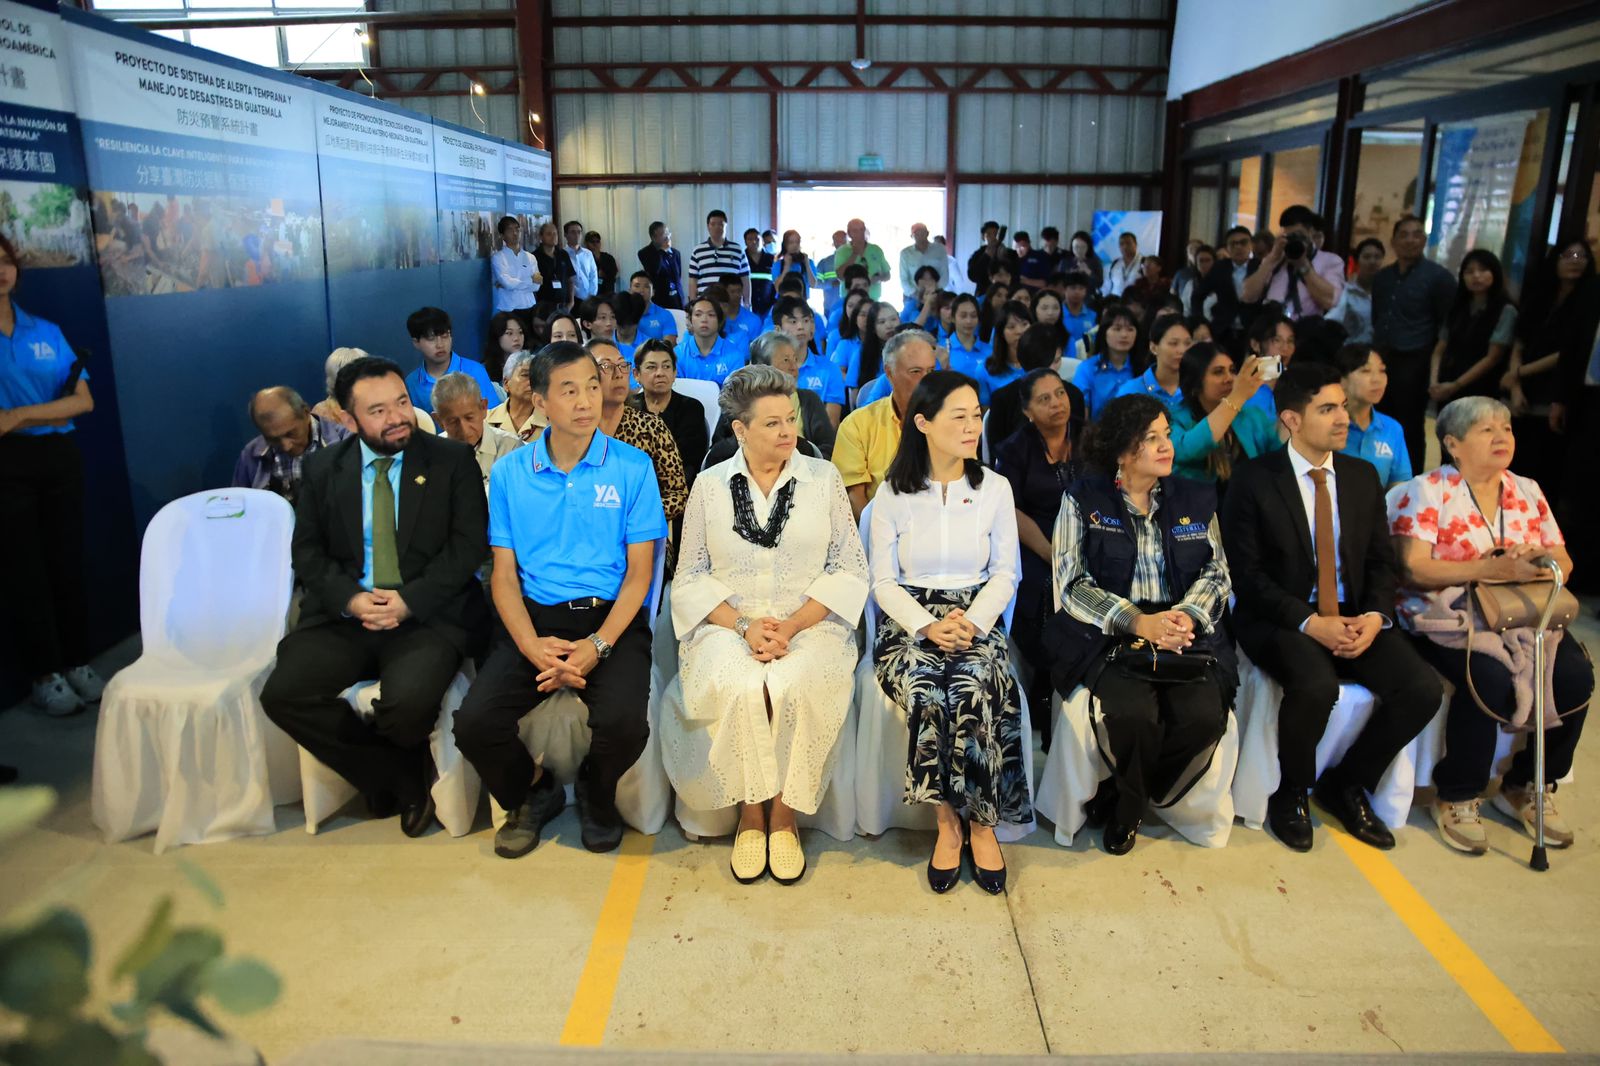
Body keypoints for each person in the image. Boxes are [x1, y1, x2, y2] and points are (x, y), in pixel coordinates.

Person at [260, 356, 489, 839]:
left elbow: (468, 547)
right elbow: (307, 552)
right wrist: (350, 600)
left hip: (427, 615)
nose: (397, 417)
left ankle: (392, 776)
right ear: (348, 419)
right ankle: (397, 777)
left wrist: (410, 601)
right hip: (348, 615)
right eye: (378, 410)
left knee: (407, 706)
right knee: (283, 695)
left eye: (401, 403)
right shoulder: (324, 468)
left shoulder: (450, 460)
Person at [1220, 361, 1442, 853]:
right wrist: (1309, 622)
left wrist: (1376, 617)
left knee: (1422, 690)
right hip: (1279, 614)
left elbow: (1382, 563)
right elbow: (1247, 576)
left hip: (1353, 613)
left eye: (1342, 406)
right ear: (1292, 420)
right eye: (1327, 409)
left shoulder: (1361, 477)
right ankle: (1292, 792)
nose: (1343, 417)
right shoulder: (1254, 479)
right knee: (1316, 686)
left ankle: (1347, 783)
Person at [455, 343, 666, 857]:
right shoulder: (511, 474)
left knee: (624, 724)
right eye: (569, 391)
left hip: (610, 617)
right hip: (535, 619)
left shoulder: (632, 467)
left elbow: (640, 575)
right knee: (475, 724)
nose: (586, 401)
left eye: (592, 386)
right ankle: (533, 791)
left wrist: (598, 645)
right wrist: (531, 646)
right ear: (540, 402)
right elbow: (504, 576)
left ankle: (597, 791)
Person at [662, 365, 869, 884]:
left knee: (793, 683)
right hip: (727, 625)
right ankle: (750, 815)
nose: (787, 432)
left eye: (790, 419)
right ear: (740, 429)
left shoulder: (823, 480)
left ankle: (784, 817)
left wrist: (792, 625)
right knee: (741, 685)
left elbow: (849, 568)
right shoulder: (710, 485)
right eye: (772, 423)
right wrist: (743, 626)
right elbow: (689, 576)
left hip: (811, 622)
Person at [1388, 397, 1591, 854]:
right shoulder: (1427, 490)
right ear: (1453, 444)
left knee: (1576, 676)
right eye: (1486, 430)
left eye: (1507, 428)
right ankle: (1458, 794)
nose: (1502, 437)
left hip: (1520, 611)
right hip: (1447, 613)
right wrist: (1488, 569)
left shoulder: (1527, 489)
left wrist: (1534, 560)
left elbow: (1563, 561)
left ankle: (1529, 785)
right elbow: (1414, 569)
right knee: (1489, 675)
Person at [1046, 394, 1235, 854]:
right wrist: (1137, 622)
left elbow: (1217, 572)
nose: (1166, 446)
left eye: (1167, 435)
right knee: (1134, 716)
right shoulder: (1083, 500)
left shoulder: (1195, 497)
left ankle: (1128, 792)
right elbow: (1071, 583)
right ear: (1121, 449)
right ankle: (1130, 810)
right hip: (1109, 638)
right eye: (1151, 438)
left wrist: (1186, 617)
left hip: (1184, 634)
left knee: (1203, 718)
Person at [869, 370, 1025, 893]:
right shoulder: (892, 494)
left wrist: (972, 623)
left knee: (975, 682)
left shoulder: (994, 488)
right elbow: (882, 582)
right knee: (926, 689)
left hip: (975, 613)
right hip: (909, 620)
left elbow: (1005, 573)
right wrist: (928, 626)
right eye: (958, 417)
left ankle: (982, 822)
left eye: (976, 415)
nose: (972, 426)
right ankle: (946, 823)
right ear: (923, 423)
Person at [0, 232, 102, 716]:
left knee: (66, 562)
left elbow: (83, 402)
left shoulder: (44, 330)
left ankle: (77, 661)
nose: (0, 272)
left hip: (58, 457)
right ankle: (45, 675)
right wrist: (47, 412)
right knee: (26, 572)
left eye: (5, 261)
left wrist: (18, 415)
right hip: (7, 466)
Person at [993, 367, 1082, 733]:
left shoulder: (1089, 438)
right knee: (1044, 587)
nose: (1056, 403)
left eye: (1060, 393)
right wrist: (1051, 552)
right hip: (1035, 540)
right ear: (1028, 411)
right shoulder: (1015, 449)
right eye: (1044, 399)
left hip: (1089, 534)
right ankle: (1046, 680)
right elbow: (1010, 510)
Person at [1504, 239, 1593, 500]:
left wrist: (1519, 373)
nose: (1575, 260)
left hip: (1555, 392)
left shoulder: (1588, 302)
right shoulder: (1540, 297)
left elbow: (1569, 353)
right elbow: (1518, 343)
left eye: (1581, 255)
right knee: (1514, 467)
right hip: (1522, 392)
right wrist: (1515, 386)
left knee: (1545, 470)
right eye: (1568, 255)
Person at [1372, 215, 1456, 470]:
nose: (1410, 240)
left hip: (1415, 359)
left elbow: (1447, 324)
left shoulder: (1439, 277)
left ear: (1425, 240)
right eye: (1404, 235)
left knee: (1409, 424)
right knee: (1379, 419)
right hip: (1382, 358)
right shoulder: (1382, 277)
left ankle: (1411, 479)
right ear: (1393, 241)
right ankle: (1379, 473)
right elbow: (1377, 316)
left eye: (1417, 234)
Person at [834, 329, 938, 518]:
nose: (926, 381)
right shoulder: (858, 425)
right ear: (890, 373)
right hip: (880, 527)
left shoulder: (949, 420)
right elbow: (853, 497)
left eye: (931, 371)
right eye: (915, 372)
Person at [592, 338, 688, 529]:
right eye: (607, 366)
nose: (619, 374)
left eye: (622, 365)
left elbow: (678, 495)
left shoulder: (651, 427)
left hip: (640, 531)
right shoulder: (576, 430)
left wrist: (633, 517)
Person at [1169, 342, 1277, 491]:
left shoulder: (1252, 416)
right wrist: (1237, 397)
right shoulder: (1173, 418)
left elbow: (1279, 456)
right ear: (1195, 382)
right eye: (1218, 372)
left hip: (1247, 501)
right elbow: (1187, 450)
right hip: (1195, 503)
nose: (1230, 378)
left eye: (1232, 370)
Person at [232, 386, 350, 504]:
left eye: (290, 434)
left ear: (305, 413)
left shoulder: (347, 444)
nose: (286, 446)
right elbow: (238, 507)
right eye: (273, 439)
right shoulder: (251, 455)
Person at [1429, 250, 1516, 407]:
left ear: (1495, 273)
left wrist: (1456, 385)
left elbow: (1492, 357)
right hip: (1447, 385)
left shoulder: (1506, 310)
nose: (1476, 276)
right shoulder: (1457, 308)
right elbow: (1439, 350)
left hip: (1482, 390)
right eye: (1469, 271)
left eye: (1483, 270)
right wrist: (1434, 383)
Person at [984, 324, 1080, 453]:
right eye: (1045, 363)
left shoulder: (1074, 395)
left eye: (1057, 361)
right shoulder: (1003, 399)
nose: (1051, 369)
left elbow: (1079, 447)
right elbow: (996, 453)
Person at [1240, 206, 1343, 323]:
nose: (1294, 240)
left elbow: (1330, 301)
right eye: (1289, 236)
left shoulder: (1330, 261)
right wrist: (1271, 259)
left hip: (1306, 328)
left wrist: (1303, 265)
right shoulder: (1276, 259)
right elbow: (1247, 297)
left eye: (1298, 235)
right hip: (1272, 325)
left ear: (1311, 232)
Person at [629, 338, 708, 485]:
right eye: (651, 367)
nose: (660, 373)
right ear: (636, 374)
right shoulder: (629, 409)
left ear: (674, 372)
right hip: (634, 483)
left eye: (666, 366)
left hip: (678, 484)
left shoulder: (691, 408)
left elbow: (689, 460)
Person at [431, 372, 523, 493]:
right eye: (453, 422)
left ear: (483, 408)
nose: (464, 430)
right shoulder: (431, 455)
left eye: (469, 418)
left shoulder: (511, 449)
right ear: (439, 420)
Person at [1336, 344, 1411, 488]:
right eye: (1366, 371)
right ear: (1342, 380)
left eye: (1382, 370)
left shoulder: (1392, 428)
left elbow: (1399, 488)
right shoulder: (1328, 425)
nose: (1377, 379)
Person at [403, 307, 498, 415]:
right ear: (416, 342)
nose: (440, 345)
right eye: (431, 338)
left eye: (445, 336)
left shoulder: (474, 371)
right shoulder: (411, 383)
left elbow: (493, 415)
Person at [774, 296, 846, 425]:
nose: (801, 326)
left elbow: (832, 422)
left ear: (812, 329)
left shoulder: (830, 369)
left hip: (817, 436)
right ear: (778, 330)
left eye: (806, 320)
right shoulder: (770, 369)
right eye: (793, 322)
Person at [1073, 303, 1141, 420]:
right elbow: (1081, 415)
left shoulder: (1143, 368)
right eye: (1117, 329)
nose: (1124, 335)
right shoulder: (1087, 369)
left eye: (1130, 329)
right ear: (1104, 332)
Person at [1115, 313, 1190, 412]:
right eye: (1173, 343)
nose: (1182, 350)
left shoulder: (1198, 389)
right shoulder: (1131, 391)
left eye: (1187, 343)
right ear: (1153, 347)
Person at [675, 294, 746, 385]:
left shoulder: (735, 355)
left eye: (711, 315)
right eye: (698, 314)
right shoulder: (677, 354)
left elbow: (735, 391)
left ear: (719, 321)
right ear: (690, 320)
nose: (704, 319)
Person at [687, 209, 750, 307]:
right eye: (713, 224)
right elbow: (692, 280)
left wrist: (747, 303)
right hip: (706, 303)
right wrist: (692, 304)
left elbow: (745, 278)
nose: (717, 227)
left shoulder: (737, 250)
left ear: (726, 225)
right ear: (708, 227)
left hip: (731, 304)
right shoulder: (697, 251)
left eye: (721, 224)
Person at [977, 301, 1034, 404]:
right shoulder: (985, 369)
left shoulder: (1041, 362)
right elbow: (985, 410)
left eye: (1024, 324)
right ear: (1001, 333)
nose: (1020, 331)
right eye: (1011, 327)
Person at [1240, 310, 1295, 417]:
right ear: (1255, 345)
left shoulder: (1296, 386)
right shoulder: (1243, 389)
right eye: (1277, 340)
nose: (1285, 348)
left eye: (1290, 341)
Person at [1334, 238, 1384, 346]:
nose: (1372, 261)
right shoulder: (1345, 292)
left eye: (1377, 257)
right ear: (1357, 261)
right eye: (1366, 257)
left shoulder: (1389, 293)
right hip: (1350, 350)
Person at [487, 350, 544, 442]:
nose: (532, 381)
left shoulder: (552, 424)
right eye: (525, 375)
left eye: (536, 377)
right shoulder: (486, 421)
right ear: (506, 384)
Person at [491, 216, 541, 314]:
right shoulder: (498, 258)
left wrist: (513, 283)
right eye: (510, 230)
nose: (515, 233)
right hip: (509, 308)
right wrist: (530, 280)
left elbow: (537, 285)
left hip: (530, 306)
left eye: (517, 229)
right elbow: (507, 283)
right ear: (502, 235)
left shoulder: (531, 257)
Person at [834, 218, 891, 300]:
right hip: (850, 299)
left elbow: (887, 275)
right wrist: (854, 254)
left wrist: (878, 278)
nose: (860, 233)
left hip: (873, 298)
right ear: (849, 233)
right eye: (855, 231)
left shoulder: (876, 250)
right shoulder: (842, 251)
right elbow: (840, 276)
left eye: (862, 229)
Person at [636, 222, 685, 310]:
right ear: (654, 238)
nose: (668, 237)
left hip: (677, 301)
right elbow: (653, 272)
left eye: (668, 233)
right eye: (664, 234)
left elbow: (678, 276)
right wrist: (662, 251)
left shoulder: (675, 253)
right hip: (659, 302)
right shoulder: (644, 253)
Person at [943, 293, 991, 378]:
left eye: (973, 316)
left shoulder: (990, 351)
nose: (969, 321)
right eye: (963, 316)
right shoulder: (942, 350)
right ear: (953, 318)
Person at [532, 221, 575, 310]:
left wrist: (571, 302)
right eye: (549, 234)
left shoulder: (563, 254)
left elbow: (570, 279)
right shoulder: (534, 257)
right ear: (541, 237)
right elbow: (534, 284)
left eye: (555, 234)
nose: (553, 237)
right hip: (543, 306)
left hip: (563, 305)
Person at [898, 222, 947, 301]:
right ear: (911, 236)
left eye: (922, 233)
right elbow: (903, 278)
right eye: (916, 234)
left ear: (927, 233)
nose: (920, 236)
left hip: (936, 295)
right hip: (912, 296)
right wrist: (916, 295)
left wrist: (934, 292)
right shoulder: (905, 253)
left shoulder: (940, 249)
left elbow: (945, 274)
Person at [967, 220, 1012, 295]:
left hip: (1006, 293)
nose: (993, 237)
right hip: (984, 293)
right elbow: (972, 276)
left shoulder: (1009, 253)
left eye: (996, 234)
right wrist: (986, 256)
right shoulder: (977, 254)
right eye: (989, 234)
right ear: (983, 237)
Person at [773, 229, 817, 299]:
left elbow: (813, 285)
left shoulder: (808, 262)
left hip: (801, 301)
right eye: (791, 242)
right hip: (784, 302)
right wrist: (786, 267)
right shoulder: (778, 264)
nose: (795, 245)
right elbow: (777, 288)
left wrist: (807, 265)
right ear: (785, 244)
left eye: (797, 242)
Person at [562, 220, 599, 303]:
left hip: (589, 297)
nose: (576, 235)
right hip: (572, 298)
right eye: (573, 232)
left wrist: (592, 295)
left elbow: (593, 275)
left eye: (579, 232)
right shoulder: (562, 254)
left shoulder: (588, 253)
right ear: (565, 234)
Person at [744, 228, 777, 318]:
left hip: (768, 307)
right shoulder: (741, 259)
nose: (754, 242)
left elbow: (776, 282)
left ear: (762, 241)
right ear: (745, 242)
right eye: (750, 239)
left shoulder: (772, 259)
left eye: (757, 239)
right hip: (748, 307)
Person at [815, 229, 847, 320]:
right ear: (834, 242)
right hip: (830, 308)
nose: (840, 243)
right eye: (837, 240)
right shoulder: (825, 262)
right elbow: (815, 283)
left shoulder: (856, 261)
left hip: (851, 307)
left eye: (843, 240)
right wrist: (831, 284)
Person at [1103, 232, 1140, 298]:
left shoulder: (1144, 263)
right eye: (1121, 244)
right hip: (1115, 301)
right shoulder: (1115, 263)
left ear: (1136, 244)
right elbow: (1107, 286)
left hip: (1135, 302)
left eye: (1128, 243)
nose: (1125, 247)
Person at [584, 230, 618, 295]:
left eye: (597, 241)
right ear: (586, 243)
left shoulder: (608, 258)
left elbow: (613, 273)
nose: (595, 244)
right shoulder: (584, 259)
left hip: (608, 292)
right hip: (592, 294)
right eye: (592, 242)